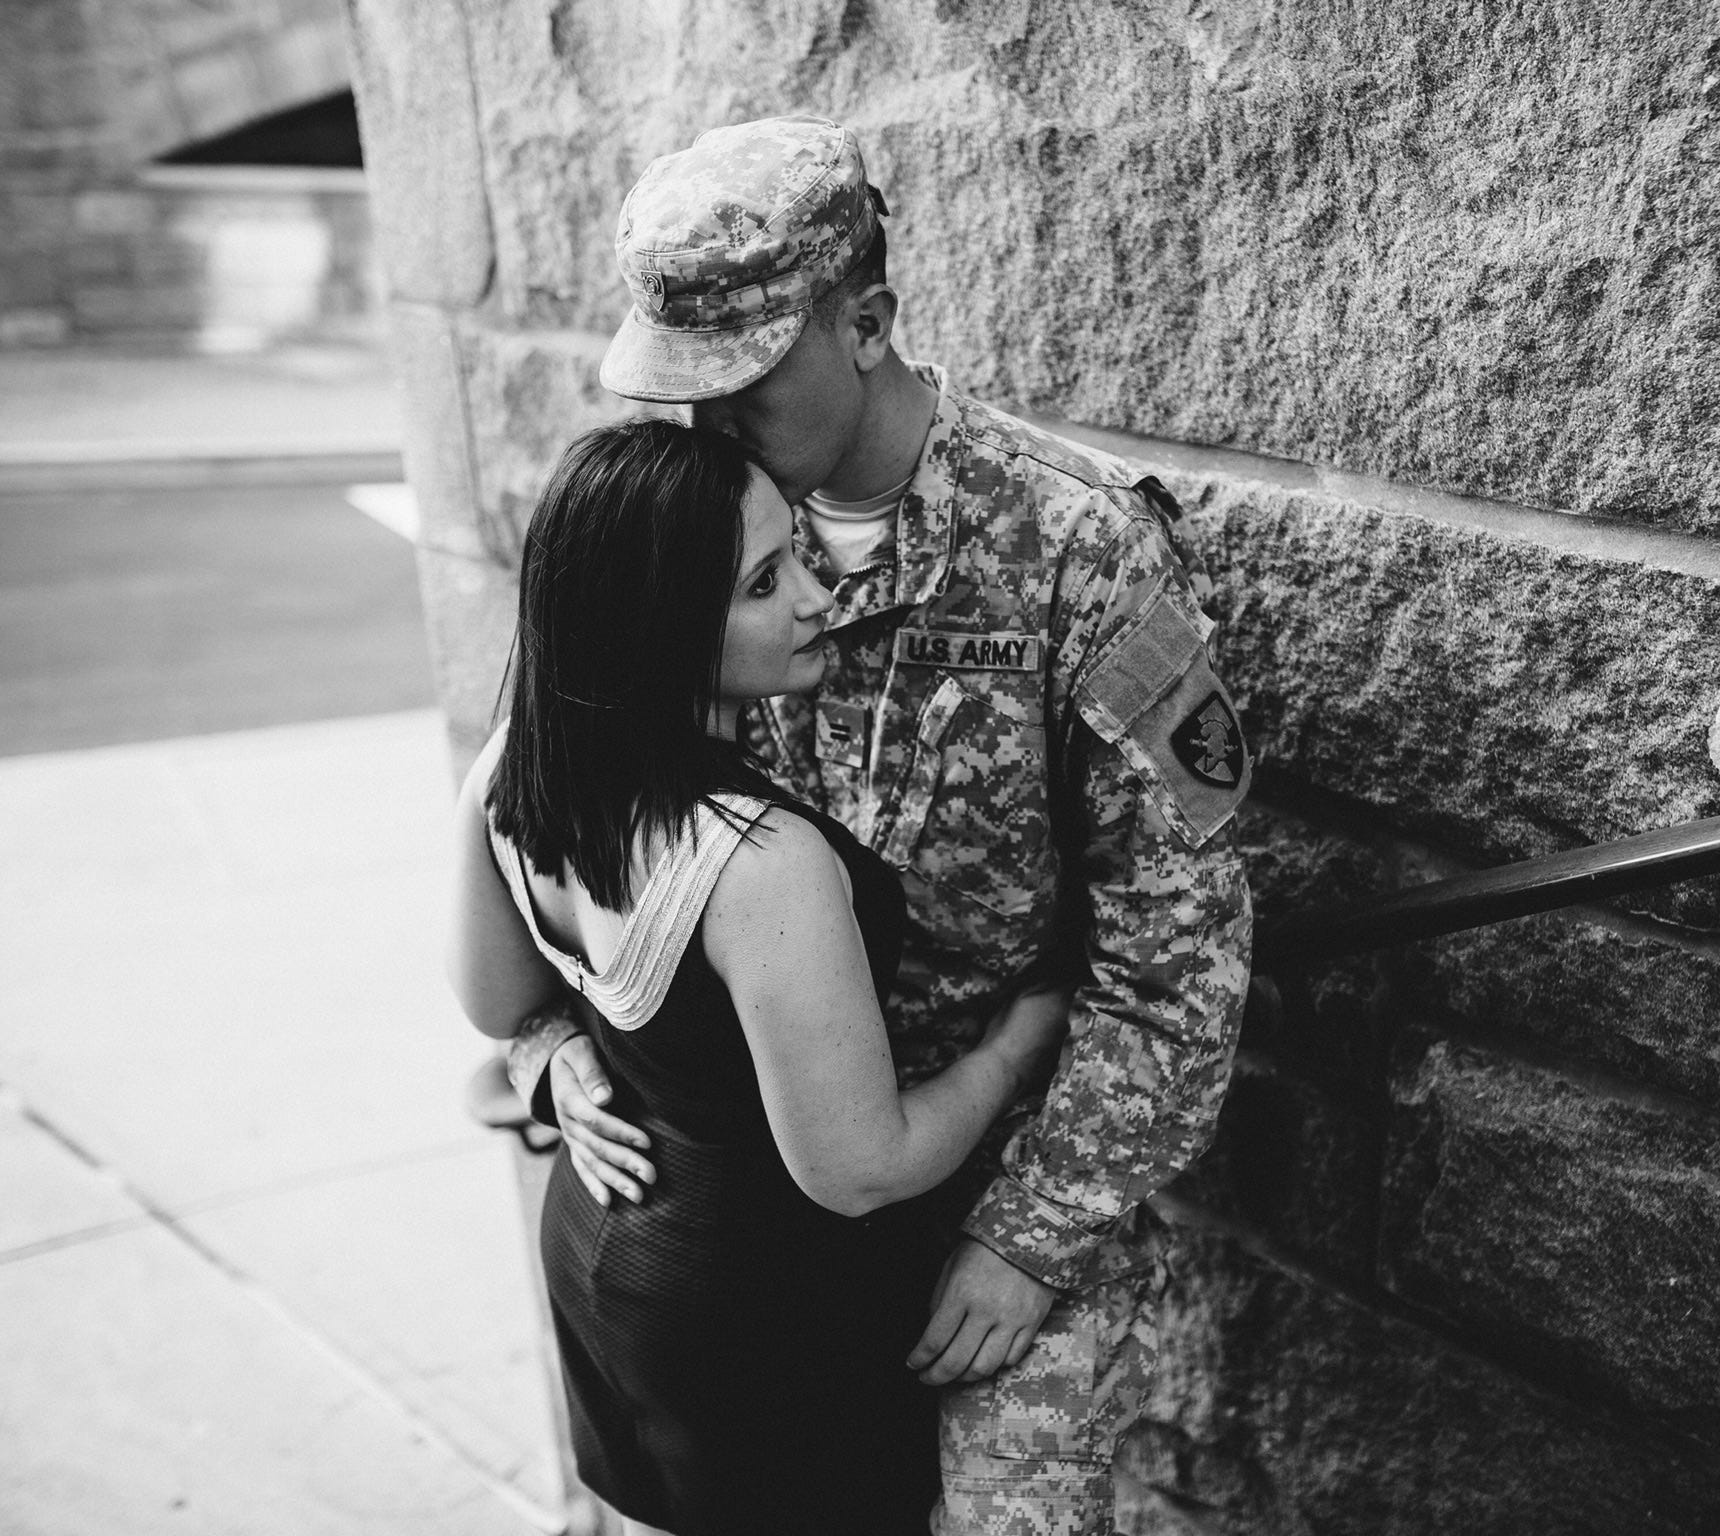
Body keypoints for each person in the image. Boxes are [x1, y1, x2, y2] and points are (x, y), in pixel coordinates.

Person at [506, 114, 1255, 1534]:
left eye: (742, 384)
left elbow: (1179, 960)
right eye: (681, 389)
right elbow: (561, 784)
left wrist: (1033, 1239)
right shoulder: (683, 520)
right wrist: (558, 1047)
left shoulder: (1078, 552)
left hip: (993, 1182)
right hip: (746, 1189)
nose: (706, 426)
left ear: (867, 324)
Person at [449, 418, 1071, 1535]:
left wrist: (566, 1056)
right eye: (764, 582)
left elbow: (498, 1005)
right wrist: (1016, 1045)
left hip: (600, 1253)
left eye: (798, 553)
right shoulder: (759, 863)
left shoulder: (513, 768)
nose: (818, 597)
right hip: (757, 1327)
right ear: (658, 626)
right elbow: (861, 1169)